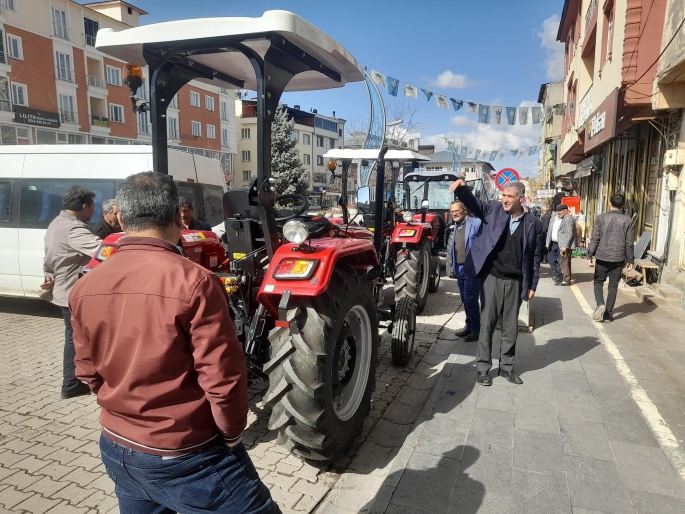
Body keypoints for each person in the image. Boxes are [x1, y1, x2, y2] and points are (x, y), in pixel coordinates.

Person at [69, 172, 279, 514]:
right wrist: (231, 433)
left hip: (117, 447)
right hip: (186, 455)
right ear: (177, 216)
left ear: (121, 217)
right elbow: (223, 376)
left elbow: (87, 372)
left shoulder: (85, 285)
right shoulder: (196, 282)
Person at [448, 179, 542, 386]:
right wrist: (463, 190)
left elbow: (535, 257)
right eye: (503, 195)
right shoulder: (494, 210)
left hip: (516, 280)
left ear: (521, 198)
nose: (505, 200)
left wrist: (532, 285)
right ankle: (483, 368)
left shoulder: (533, 224)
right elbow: (475, 204)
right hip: (492, 277)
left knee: (510, 328)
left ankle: (507, 368)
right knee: (487, 324)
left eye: (509, 196)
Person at [41, 185, 102, 399]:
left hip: (63, 291)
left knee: (74, 338)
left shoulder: (56, 223)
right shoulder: (74, 229)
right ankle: (71, 383)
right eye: (93, 206)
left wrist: (48, 273)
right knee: (77, 339)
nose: (94, 210)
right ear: (84, 206)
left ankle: (72, 382)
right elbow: (103, 250)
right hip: (73, 293)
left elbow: (48, 256)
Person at [587, 194, 635, 323]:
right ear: (623, 206)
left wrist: (589, 255)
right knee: (613, 286)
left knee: (598, 282)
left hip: (602, 256)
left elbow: (595, 238)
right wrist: (630, 260)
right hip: (619, 258)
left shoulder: (600, 218)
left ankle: (600, 304)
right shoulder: (628, 221)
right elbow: (629, 243)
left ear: (609, 203)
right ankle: (608, 314)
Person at [448, 201, 482, 342]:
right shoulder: (456, 226)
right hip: (460, 268)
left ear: (464, 210)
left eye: (457, 210)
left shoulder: (476, 223)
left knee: (470, 299)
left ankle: (476, 330)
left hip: (472, 268)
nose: (454, 214)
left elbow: (483, 244)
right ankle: (469, 326)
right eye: (452, 211)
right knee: (464, 299)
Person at [546, 204, 576, 286]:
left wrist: (565, 246)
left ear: (566, 211)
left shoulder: (568, 219)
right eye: (557, 211)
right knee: (551, 259)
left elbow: (569, 233)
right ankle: (560, 274)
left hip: (563, 245)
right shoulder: (556, 218)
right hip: (554, 243)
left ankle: (566, 279)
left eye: (560, 211)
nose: (558, 212)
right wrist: (547, 242)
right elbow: (550, 231)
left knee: (564, 263)